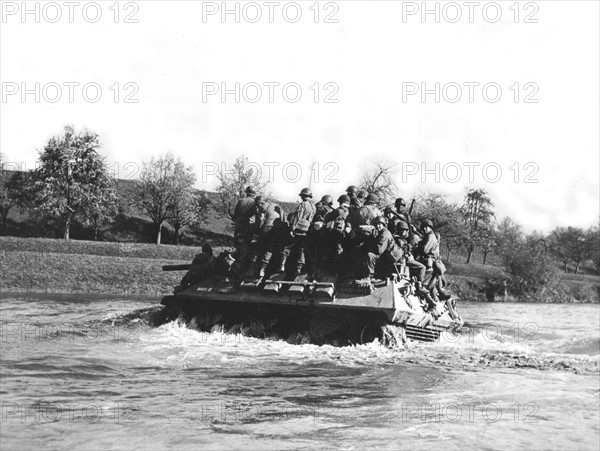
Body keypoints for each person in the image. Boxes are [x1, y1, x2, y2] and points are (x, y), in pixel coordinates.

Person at [280, 188, 316, 275]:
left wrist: (292, 228)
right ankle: (299, 268)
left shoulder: (303, 204)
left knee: (287, 247)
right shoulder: (313, 206)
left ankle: (282, 265)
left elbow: (297, 217)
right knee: (301, 249)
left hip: (298, 228)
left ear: (303, 196)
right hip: (306, 229)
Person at [254, 196, 284, 280]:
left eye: (257, 205)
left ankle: (261, 270)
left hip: (267, 229)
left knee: (262, 249)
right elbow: (283, 218)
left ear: (260, 203)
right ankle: (273, 269)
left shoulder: (261, 209)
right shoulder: (274, 205)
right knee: (272, 249)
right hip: (278, 229)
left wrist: (256, 232)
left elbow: (259, 222)